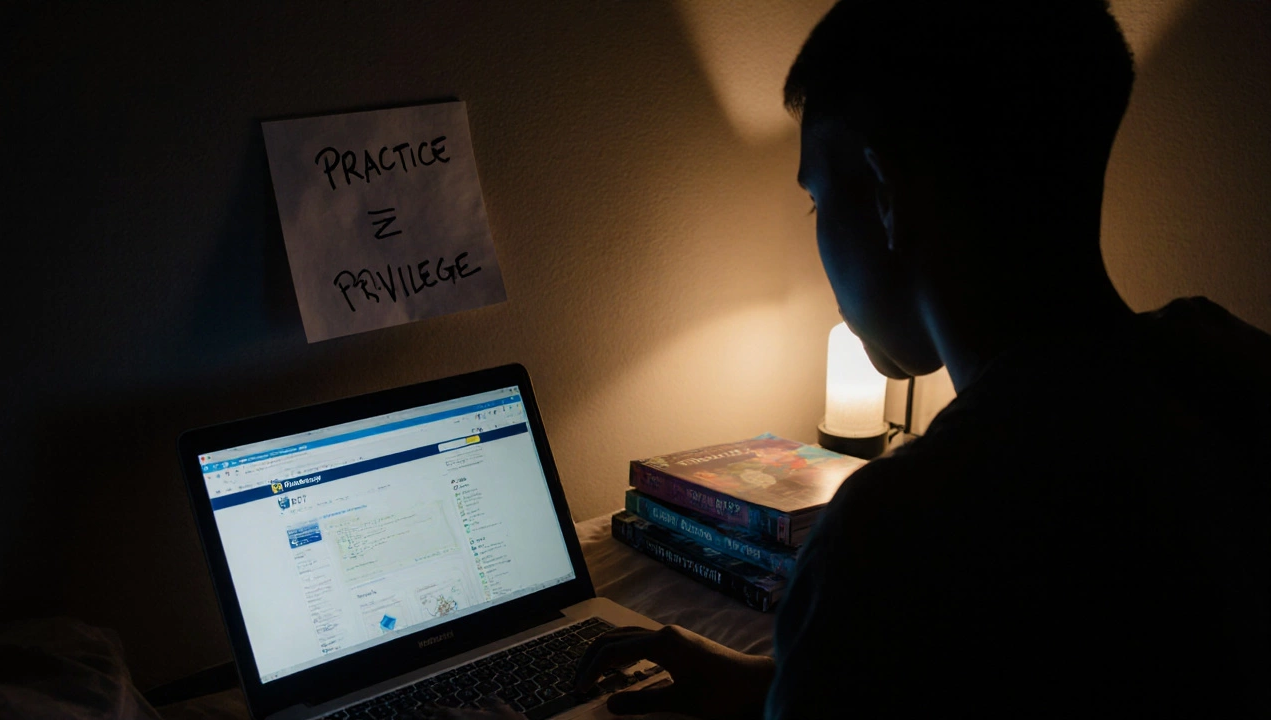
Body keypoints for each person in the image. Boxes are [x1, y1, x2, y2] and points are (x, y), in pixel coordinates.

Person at [446, 1, 1271, 717]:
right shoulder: (1231, 371)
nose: (816, 231)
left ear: (885, 198)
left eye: (815, 197)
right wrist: (773, 682)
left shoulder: (897, 540)